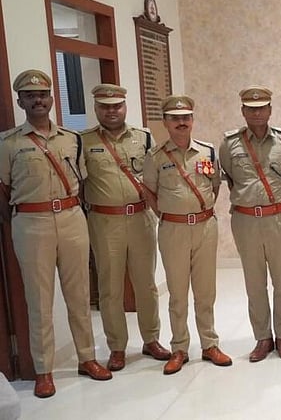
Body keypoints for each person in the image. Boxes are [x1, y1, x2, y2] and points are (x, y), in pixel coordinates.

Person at [0, 70, 111, 398]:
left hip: (72, 217)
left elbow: (84, 181)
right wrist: (21, 222)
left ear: (52, 99)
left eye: (44, 95)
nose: (38, 100)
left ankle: (87, 358)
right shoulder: (8, 143)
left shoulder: (72, 139)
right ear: (20, 101)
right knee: (39, 299)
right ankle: (44, 369)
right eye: (30, 96)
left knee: (80, 294)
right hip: (31, 223)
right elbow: (3, 191)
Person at [81, 84, 170, 372]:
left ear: (125, 106)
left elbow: (155, 176)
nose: (111, 110)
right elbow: (78, 183)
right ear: (96, 108)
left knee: (146, 284)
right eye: (105, 106)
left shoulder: (143, 138)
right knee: (110, 287)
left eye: (116, 105)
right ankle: (117, 347)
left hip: (141, 218)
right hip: (105, 222)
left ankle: (151, 339)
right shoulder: (83, 141)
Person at [143, 95, 232, 374]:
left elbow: (215, 187)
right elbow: (150, 192)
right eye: (175, 118)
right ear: (166, 122)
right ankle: (179, 348)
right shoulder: (155, 156)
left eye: (186, 117)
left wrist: (198, 212)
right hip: (173, 229)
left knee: (206, 291)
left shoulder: (208, 152)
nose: (181, 122)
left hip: (205, 227)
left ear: (192, 120)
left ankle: (209, 344)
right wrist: (172, 216)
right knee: (178, 293)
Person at [220, 86, 281, 362]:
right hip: (245, 220)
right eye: (250, 108)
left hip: (278, 217)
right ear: (243, 111)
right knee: (254, 283)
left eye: (261, 108)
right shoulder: (229, 143)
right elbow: (230, 178)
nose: (256, 113)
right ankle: (263, 338)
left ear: (270, 110)